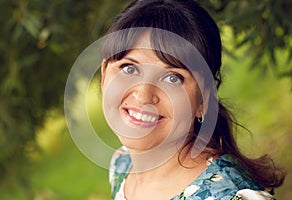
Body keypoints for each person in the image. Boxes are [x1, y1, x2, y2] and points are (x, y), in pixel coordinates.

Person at [99, 0, 286, 199]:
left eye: (172, 78)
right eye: (130, 68)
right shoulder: (122, 163)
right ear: (104, 76)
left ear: (203, 100)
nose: (143, 95)